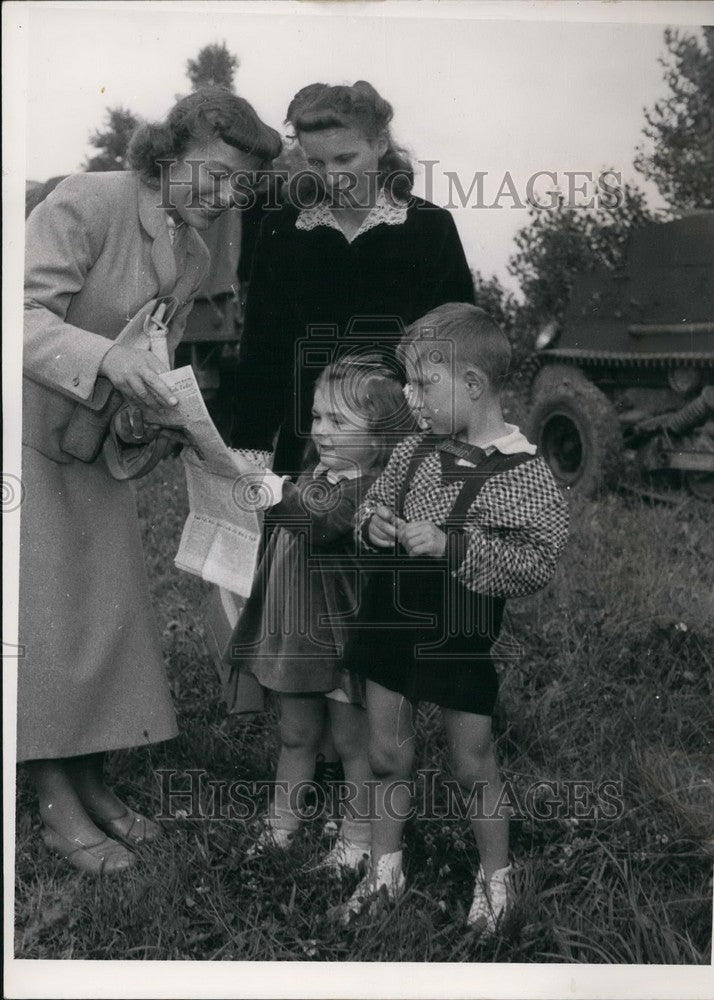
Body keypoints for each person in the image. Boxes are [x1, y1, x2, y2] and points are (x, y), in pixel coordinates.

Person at [19, 88, 281, 874]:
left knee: (103, 615)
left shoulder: (195, 250)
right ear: (169, 152)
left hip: (89, 448)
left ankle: (92, 780)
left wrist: (151, 414)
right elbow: (17, 316)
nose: (228, 197)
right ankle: (55, 799)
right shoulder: (88, 200)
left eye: (240, 186)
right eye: (217, 176)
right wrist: (109, 362)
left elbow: (149, 347)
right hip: (23, 444)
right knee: (47, 622)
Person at [335, 303, 569, 935]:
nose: (412, 399)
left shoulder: (523, 472)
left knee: (472, 761)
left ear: (473, 385)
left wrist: (452, 546)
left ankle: (496, 879)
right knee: (387, 752)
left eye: (423, 384)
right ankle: (385, 871)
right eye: (408, 384)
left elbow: (537, 561)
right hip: (390, 621)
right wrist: (374, 526)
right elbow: (373, 507)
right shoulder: (413, 449)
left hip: (457, 634)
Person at [230, 79, 475, 475]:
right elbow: (261, 355)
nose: (332, 176)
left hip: (406, 449)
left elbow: (457, 349)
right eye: (317, 163)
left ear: (380, 145)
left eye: (345, 158)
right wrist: (250, 450)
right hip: (311, 448)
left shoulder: (430, 229)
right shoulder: (283, 230)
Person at [227, 358, 415, 871]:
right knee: (296, 734)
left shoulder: (369, 489)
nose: (322, 430)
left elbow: (319, 519)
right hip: (298, 637)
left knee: (354, 742)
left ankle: (356, 839)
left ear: (381, 437)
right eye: (317, 417)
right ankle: (280, 825)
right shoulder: (316, 473)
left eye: (339, 421)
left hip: (343, 638)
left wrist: (260, 483)